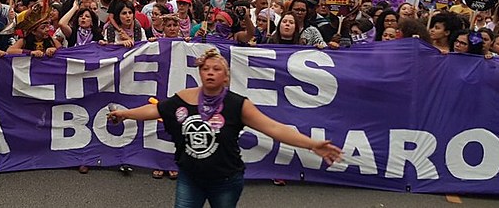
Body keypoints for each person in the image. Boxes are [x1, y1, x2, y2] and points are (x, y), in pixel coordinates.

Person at [107, 48, 342, 208]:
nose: (210, 72)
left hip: (226, 180)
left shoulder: (238, 105)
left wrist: (313, 144)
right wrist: (125, 114)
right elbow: (156, 110)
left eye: (216, 69)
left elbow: (274, 128)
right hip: (190, 177)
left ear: (226, 76)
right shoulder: (183, 98)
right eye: (205, 68)